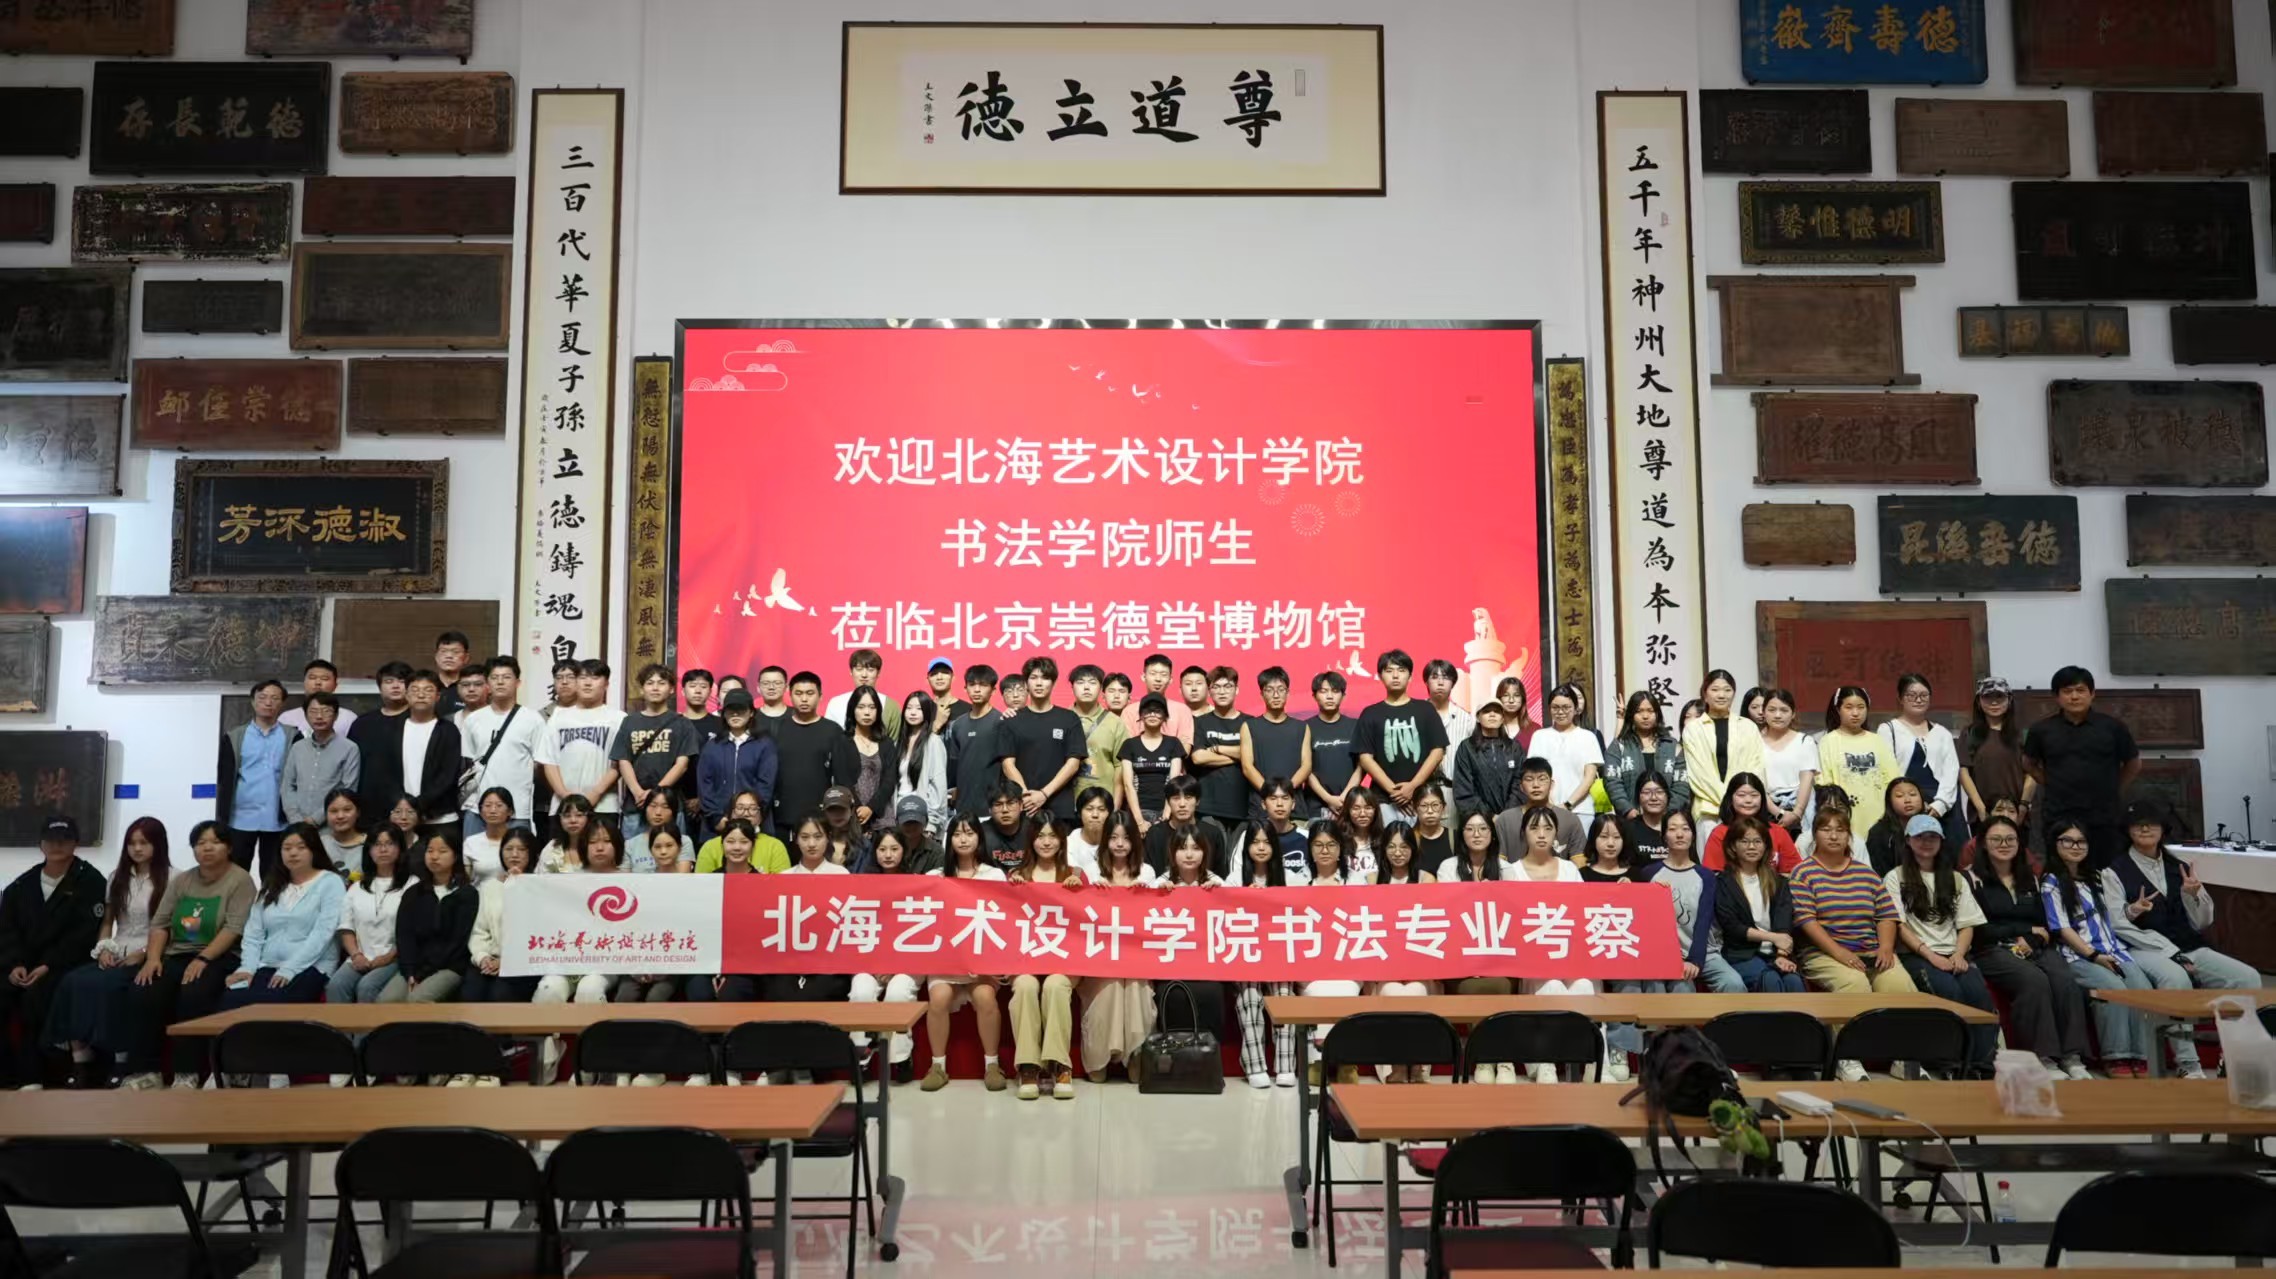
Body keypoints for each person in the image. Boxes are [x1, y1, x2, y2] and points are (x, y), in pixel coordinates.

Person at [2100, 802, 2261, 1077]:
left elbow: (2202, 922)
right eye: (2138, 824)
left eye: (2152, 822)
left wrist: (2194, 895)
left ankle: (2234, 1058)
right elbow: (2117, 924)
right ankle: (2189, 1066)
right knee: (2176, 978)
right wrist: (2135, 912)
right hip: (2142, 948)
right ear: (2128, 830)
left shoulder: (2180, 867)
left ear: (2163, 829)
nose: (2145, 828)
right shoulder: (2113, 871)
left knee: (2247, 978)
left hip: (2188, 946)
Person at [122, 820, 255, 1089]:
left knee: (194, 992)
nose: (207, 848)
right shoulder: (182, 880)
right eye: (200, 843)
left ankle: (188, 1073)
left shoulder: (240, 880)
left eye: (215, 842)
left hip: (220, 956)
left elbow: (234, 927)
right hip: (177, 954)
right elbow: (160, 923)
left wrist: (203, 958)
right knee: (144, 989)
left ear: (229, 848)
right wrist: (153, 959)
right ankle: (146, 1071)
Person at [1791, 807, 1916, 1079]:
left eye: (1840, 830)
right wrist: (1840, 953)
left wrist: (1886, 948)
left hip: (1871, 950)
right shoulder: (1803, 873)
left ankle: (1903, 1056)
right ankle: (1845, 1057)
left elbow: (1886, 914)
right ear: (1814, 835)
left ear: (1849, 836)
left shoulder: (1866, 873)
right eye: (1826, 830)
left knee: (1900, 985)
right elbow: (1807, 921)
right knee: (1854, 983)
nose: (1833, 836)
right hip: (1823, 953)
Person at [1967, 814, 2093, 1079]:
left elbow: (2044, 924)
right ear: (1983, 843)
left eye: (2010, 839)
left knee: (2063, 978)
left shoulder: (2031, 877)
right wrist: (2023, 932)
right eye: (1996, 839)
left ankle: (2072, 1056)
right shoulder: (1971, 878)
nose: (2004, 844)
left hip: (2034, 946)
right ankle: (2042, 1057)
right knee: (2033, 980)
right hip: (1991, 949)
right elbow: (1978, 929)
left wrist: (2033, 938)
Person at [47, 817, 166, 1088]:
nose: (137, 849)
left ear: (158, 844)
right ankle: (81, 1059)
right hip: (117, 948)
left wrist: (145, 953)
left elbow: (169, 927)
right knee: (73, 980)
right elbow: (107, 922)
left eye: (144, 843)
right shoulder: (116, 876)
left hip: (148, 952)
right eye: (132, 843)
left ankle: (120, 1061)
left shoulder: (174, 877)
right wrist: (103, 949)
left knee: (111, 986)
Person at [1884, 814, 2000, 1073]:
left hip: (1954, 953)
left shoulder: (1956, 878)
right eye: (1920, 837)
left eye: (1932, 837)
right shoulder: (1895, 877)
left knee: (1978, 994)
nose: (1926, 842)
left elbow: (1967, 923)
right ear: (1908, 841)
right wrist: (1930, 956)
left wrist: (1959, 954)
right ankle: (1949, 1061)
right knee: (1949, 992)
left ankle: (1981, 1062)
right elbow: (1899, 926)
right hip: (1917, 954)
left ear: (1941, 841)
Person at [2043, 817, 2157, 1077]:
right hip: (2079, 956)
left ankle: (2141, 1055)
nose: (2075, 847)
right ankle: (2116, 1056)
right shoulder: (2051, 881)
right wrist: (2094, 955)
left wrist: (2133, 909)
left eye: (2081, 841)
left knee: (2141, 987)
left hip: (2114, 951)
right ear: (2055, 844)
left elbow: (2112, 917)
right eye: (2068, 841)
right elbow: (2062, 928)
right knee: (2113, 988)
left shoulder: (2095, 877)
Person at [0, 816, 104, 1088]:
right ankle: (6, 1073)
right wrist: (14, 964)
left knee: (36, 996)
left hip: (67, 964)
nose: (57, 845)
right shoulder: (21, 886)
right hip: (23, 965)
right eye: (51, 840)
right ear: (41, 844)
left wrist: (48, 964)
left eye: (64, 840)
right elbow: (7, 930)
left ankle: (34, 1076)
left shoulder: (91, 881)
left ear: (76, 843)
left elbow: (84, 935)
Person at [920, 816, 1009, 1093]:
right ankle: (937, 1066)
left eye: (969, 833)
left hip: (982, 963)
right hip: (946, 962)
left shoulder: (994, 876)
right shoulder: (934, 878)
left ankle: (992, 1065)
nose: (963, 839)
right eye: (957, 834)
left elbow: (1003, 922)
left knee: (985, 997)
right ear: (949, 840)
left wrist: (993, 963)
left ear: (979, 838)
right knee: (938, 998)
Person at [219, 823, 345, 1013]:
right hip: (267, 964)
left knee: (273, 1004)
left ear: (314, 850)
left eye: (301, 847)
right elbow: (254, 933)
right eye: (287, 848)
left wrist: (290, 969)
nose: (293, 853)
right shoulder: (272, 884)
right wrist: (247, 968)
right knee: (231, 999)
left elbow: (323, 934)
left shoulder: (330, 882)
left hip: (311, 966)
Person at [2026, 666, 2142, 867]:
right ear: (2056, 696)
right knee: (2061, 870)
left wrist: (2115, 789)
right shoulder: (2041, 730)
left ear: (2092, 693)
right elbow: (2028, 763)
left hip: (2103, 816)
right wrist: (2052, 783)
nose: (2074, 697)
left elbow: (2133, 763)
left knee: (2105, 871)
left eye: (2080, 690)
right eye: (2067, 691)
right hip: (2059, 814)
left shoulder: (2112, 727)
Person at [1006, 818, 1087, 1101]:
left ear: (1062, 841)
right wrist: (1011, 891)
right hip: (1025, 959)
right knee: (1025, 986)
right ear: (1031, 840)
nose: (1047, 842)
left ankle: (1059, 1064)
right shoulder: (1017, 875)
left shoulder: (1075, 874)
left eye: (1053, 836)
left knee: (1055, 985)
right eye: (1040, 835)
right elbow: (1004, 920)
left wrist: (1079, 892)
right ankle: (1028, 1066)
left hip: (1064, 960)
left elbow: (1089, 919)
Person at [1077, 812, 1156, 1084]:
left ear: (1134, 841)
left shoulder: (1147, 872)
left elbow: (1157, 915)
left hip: (1136, 956)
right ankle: (1100, 1054)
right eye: (1113, 838)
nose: (1120, 844)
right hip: (1100, 955)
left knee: (1135, 984)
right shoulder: (1091, 872)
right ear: (1105, 841)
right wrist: (1089, 891)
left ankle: (1136, 1053)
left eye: (1125, 838)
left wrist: (1145, 894)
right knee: (1109, 984)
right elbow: (1078, 912)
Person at [1225, 821, 1297, 1087]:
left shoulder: (1291, 879)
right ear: (1246, 848)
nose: (1261, 847)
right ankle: (1255, 1066)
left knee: (1284, 995)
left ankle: (1286, 1066)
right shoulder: (1234, 880)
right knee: (1250, 997)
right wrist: (1244, 897)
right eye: (1255, 842)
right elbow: (1222, 914)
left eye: (1267, 842)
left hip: (1279, 955)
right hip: (1246, 955)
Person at [849, 828, 923, 1080]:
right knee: (861, 989)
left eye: (894, 849)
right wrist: (874, 964)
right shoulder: (863, 885)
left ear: (904, 850)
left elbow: (921, 934)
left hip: (908, 961)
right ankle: (861, 1057)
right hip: (870, 961)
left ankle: (900, 1059)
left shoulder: (917, 884)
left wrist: (894, 966)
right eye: (882, 849)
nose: (888, 855)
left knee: (897, 992)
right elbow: (857, 931)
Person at [682, 820, 771, 1007]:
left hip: (746, 964)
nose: (737, 847)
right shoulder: (709, 882)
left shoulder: (763, 884)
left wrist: (729, 972)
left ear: (753, 845)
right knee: (699, 993)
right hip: (707, 961)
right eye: (730, 841)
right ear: (722, 844)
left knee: (731, 996)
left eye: (744, 842)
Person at [379, 832, 475, 1004]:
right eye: (430, 851)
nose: (434, 856)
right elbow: (404, 935)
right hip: (415, 966)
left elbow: (457, 943)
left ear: (455, 856)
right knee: (387, 1000)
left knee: (418, 999)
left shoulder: (467, 894)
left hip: (449, 966)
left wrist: (423, 973)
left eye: (442, 851)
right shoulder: (414, 893)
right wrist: (410, 972)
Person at [1714, 815, 1806, 993]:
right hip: (1741, 955)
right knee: (1769, 979)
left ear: (1765, 846)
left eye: (1757, 841)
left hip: (1775, 952)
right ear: (1733, 846)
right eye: (1744, 841)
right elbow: (1733, 927)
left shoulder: (1778, 882)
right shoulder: (1723, 883)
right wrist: (1773, 938)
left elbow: (1783, 922)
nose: (1751, 847)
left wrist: (1782, 954)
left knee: (1793, 981)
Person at [1356, 650, 1447, 825]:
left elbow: (1437, 751)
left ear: (1410, 677)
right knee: (1387, 842)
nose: (1395, 675)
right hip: (1383, 799)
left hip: (1422, 799)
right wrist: (1396, 793)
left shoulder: (1426, 709)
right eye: (1389, 671)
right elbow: (1365, 758)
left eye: (1401, 670)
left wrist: (1413, 787)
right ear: (1380, 676)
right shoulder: (1370, 713)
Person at [218, 679, 298, 878]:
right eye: (262, 698)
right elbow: (224, 778)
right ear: (253, 702)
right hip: (241, 817)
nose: (268, 702)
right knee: (236, 874)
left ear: (282, 703)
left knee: (274, 875)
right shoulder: (234, 736)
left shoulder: (293, 736)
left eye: (274, 698)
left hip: (278, 818)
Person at [612, 663, 700, 842]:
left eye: (661, 683)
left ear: (671, 689)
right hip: (635, 804)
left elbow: (682, 765)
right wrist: (638, 792)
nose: (655, 687)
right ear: (642, 689)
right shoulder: (629, 722)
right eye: (650, 683)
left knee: (671, 853)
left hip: (670, 806)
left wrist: (655, 795)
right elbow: (623, 760)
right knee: (633, 855)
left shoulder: (682, 723)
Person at [459, 656, 543, 839]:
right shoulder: (473, 720)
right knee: (474, 856)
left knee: (517, 856)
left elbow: (539, 764)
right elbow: (468, 762)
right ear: (487, 684)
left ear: (518, 683)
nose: (500, 682)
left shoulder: (533, 719)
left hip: (517, 809)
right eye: (494, 677)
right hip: (477, 808)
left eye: (506, 677)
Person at [1879, 673, 1966, 849]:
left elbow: (1951, 770)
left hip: (1942, 805)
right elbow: (1885, 770)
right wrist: (1904, 802)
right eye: (1911, 695)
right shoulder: (1888, 729)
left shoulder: (1942, 733)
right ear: (1900, 698)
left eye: (1924, 695)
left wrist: (1941, 804)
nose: (1918, 700)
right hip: (1905, 805)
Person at [538, 659, 626, 821]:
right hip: (562, 807)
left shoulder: (619, 718)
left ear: (606, 684)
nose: (587, 683)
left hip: (604, 805)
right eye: (582, 677)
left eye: (594, 678)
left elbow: (620, 763)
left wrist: (595, 794)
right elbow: (549, 762)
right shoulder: (558, 717)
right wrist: (565, 796)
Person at [328, 827, 407, 1006]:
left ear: (400, 848)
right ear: (369, 850)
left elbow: (412, 932)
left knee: (367, 986)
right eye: (377, 844)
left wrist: (388, 957)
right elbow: (346, 927)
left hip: (394, 957)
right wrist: (356, 955)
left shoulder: (411, 884)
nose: (383, 849)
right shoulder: (357, 887)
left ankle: (368, 1027)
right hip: (360, 957)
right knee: (336, 985)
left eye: (389, 844)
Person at [463, 828, 541, 1008]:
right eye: (508, 849)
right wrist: (482, 957)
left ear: (531, 854)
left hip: (525, 962)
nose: (514, 854)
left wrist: (520, 886)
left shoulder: (540, 887)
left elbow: (535, 933)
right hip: (489, 959)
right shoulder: (489, 887)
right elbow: (479, 931)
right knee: (470, 993)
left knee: (499, 995)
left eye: (521, 849)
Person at [775, 671, 860, 830]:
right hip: (782, 815)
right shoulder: (778, 729)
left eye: (810, 693)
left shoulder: (833, 731)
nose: (804, 699)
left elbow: (844, 776)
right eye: (798, 693)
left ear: (820, 696)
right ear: (790, 695)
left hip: (822, 816)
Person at [383, 672, 463, 837]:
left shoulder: (448, 731)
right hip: (401, 817)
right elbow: (384, 771)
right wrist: (403, 806)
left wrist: (417, 805)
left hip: (440, 818)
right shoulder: (391, 729)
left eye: (428, 690)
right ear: (406, 695)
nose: (421, 695)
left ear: (438, 696)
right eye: (415, 690)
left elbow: (448, 775)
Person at [1681, 670, 1764, 828]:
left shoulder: (1748, 727)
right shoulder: (1693, 729)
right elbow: (1699, 774)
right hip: (1708, 810)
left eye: (1727, 690)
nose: (1721, 695)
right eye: (1715, 689)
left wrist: (1742, 801)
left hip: (1745, 809)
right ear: (1705, 694)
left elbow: (1756, 767)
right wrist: (1730, 803)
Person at [1818, 685, 1900, 845]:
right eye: (1849, 707)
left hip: (1879, 816)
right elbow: (1825, 784)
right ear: (1838, 709)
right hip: (1845, 818)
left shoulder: (1877, 740)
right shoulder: (1828, 742)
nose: (1855, 713)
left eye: (1861, 707)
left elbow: (1893, 780)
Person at [695, 688, 777, 834]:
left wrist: (751, 815)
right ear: (723, 713)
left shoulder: (764, 745)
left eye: (741, 709)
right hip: (716, 824)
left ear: (751, 713)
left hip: (754, 823)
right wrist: (716, 817)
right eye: (730, 710)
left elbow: (766, 784)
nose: (735, 714)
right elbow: (704, 784)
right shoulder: (712, 746)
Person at [1239, 667, 1311, 823]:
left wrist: (1285, 795)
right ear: (1262, 694)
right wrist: (1271, 795)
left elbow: (1306, 766)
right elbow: (1247, 767)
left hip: (1295, 810)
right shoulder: (1249, 726)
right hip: (1260, 810)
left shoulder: (1301, 727)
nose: (1276, 695)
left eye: (1281, 689)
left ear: (1288, 693)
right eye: (1270, 690)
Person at [1962, 677, 2033, 834]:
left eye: (1999, 697)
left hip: (2016, 812)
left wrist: (2023, 806)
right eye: (1988, 697)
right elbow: (1963, 772)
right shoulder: (1969, 733)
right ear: (1979, 701)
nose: (1994, 702)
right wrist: (1980, 808)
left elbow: (2032, 772)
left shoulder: (2023, 733)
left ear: (2009, 700)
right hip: (1982, 813)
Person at [1186, 666, 1249, 841]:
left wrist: (1218, 748)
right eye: (1216, 687)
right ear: (1209, 691)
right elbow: (1198, 757)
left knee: (1239, 857)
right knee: (1211, 855)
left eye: (1227, 686)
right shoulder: (1199, 723)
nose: (1222, 692)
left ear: (1236, 690)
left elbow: (1252, 755)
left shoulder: (1250, 723)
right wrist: (1239, 756)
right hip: (1208, 807)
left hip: (1243, 807)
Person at [1603, 691, 1687, 822]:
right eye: (1639, 711)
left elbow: (1681, 785)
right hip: (1630, 821)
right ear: (1631, 715)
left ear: (1657, 714)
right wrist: (1628, 810)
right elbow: (1612, 782)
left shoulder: (1673, 747)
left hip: (1667, 822)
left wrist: (1668, 814)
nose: (1645, 716)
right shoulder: (1618, 747)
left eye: (1650, 711)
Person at [279, 692, 359, 828]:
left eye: (326, 711)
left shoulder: (349, 748)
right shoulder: (298, 747)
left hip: (332, 825)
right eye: (313, 711)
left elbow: (348, 789)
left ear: (336, 716)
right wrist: (295, 818)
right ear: (306, 716)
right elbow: (287, 786)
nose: (319, 716)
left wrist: (315, 819)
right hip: (297, 825)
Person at [1701, 773, 1801, 872]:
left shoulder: (1778, 832)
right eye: (1741, 795)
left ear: (1762, 799)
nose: (1748, 800)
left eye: (1754, 795)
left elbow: (1795, 873)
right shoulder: (1720, 834)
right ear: (1730, 799)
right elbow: (1713, 875)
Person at [1531, 683, 1604, 817]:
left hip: (1581, 810)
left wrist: (1568, 804)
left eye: (1566, 707)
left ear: (1576, 709)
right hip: (1546, 810)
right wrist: (1550, 805)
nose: (1560, 712)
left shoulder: (1588, 737)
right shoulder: (1539, 736)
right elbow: (1535, 774)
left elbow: (1590, 777)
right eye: (1555, 707)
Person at [1117, 695, 1186, 828]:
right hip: (1138, 811)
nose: (1152, 714)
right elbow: (1128, 785)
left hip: (1167, 811)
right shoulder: (1129, 745)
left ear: (1165, 716)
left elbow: (1174, 782)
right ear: (1141, 715)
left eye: (1158, 711)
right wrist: (1139, 821)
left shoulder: (1174, 743)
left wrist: (1166, 815)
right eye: (1148, 711)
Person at [1756, 688, 1816, 841]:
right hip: (1765, 807)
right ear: (1763, 712)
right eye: (1772, 710)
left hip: (1802, 810)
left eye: (1784, 710)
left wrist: (1797, 813)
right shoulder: (1754, 741)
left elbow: (1807, 779)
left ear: (1793, 713)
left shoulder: (1805, 741)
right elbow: (1756, 781)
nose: (1778, 715)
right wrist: (1777, 812)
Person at [947, 664, 1005, 821]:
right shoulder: (958, 725)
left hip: (993, 807)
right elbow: (955, 764)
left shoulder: (1000, 722)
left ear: (993, 690)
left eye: (983, 685)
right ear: (965, 688)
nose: (977, 690)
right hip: (962, 807)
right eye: (972, 685)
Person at [1493, 758, 1583, 860]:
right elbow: (1499, 862)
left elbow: (1579, 862)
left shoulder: (1570, 819)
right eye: (1529, 779)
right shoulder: (1506, 819)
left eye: (1542, 779)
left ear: (1551, 784)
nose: (1536, 785)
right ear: (1521, 787)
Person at [1304, 671, 1364, 819]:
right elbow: (1305, 769)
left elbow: (1362, 766)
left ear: (1343, 695)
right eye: (1323, 691)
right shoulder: (1304, 728)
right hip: (1315, 807)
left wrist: (1345, 797)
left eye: (1335, 691)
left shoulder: (1355, 726)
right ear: (1314, 696)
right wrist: (1328, 798)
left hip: (1351, 804)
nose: (1329, 696)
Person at [1142, 774, 1225, 878]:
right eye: (1176, 798)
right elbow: (1148, 875)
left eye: (1188, 798)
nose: (1182, 804)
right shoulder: (1155, 834)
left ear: (1197, 801)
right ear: (1168, 802)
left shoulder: (1213, 833)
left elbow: (1221, 876)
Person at [844, 686, 901, 834]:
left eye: (872, 707)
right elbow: (843, 779)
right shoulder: (843, 741)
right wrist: (859, 809)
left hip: (883, 820)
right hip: (852, 818)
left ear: (878, 711)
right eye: (861, 707)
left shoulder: (886, 743)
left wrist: (871, 808)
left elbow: (890, 780)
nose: (867, 712)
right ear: (852, 709)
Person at [1451, 701, 1523, 819]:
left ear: (1502, 718)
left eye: (1497, 712)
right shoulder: (1467, 748)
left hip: (1511, 819)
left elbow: (1520, 783)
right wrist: (1489, 817)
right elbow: (1463, 788)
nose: (1492, 715)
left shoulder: (1514, 747)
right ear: (1478, 718)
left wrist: (1506, 816)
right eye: (1486, 711)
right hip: (1479, 821)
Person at [893, 692, 948, 838]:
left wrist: (932, 824)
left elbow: (939, 785)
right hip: (899, 814)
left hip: (922, 816)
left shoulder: (933, 742)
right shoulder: (899, 742)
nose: (913, 712)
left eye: (919, 709)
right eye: (909, 708)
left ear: (927, 712)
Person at [692, 791, 790, 873]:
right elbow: (701, 885)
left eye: (753, 808)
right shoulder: (710, 847)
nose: (746, 813)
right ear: (729, 814)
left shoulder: (775, 846)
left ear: (761, 817)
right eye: (740, 808)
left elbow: (782, 885)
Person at [1121, 654, 1195, 748]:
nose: (1158, 679)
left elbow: (1185, 748)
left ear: (1170, 679)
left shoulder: (1182, 710)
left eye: (1163, 675)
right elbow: (1127, 748)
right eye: (1153, 673)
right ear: (1143, 677)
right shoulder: (1129, 711)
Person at [823, 648, 896, 738]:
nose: (864, 675)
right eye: (859, 669)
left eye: (870, 670)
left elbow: (895, 743)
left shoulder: (890, 705)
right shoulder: (836, 703)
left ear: (878, 673)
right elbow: (828, 738)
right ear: (851, 671)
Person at [1865, 778, 1929, 877]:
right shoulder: (1879, 833)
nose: (1908, 800)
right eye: (1899, 796)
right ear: (1889, 802)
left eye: (1912, 794)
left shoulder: (1932, 828)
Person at [280, 659, 357, 737]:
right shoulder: (287, 718)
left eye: (324, 679)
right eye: (312, 678)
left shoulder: (348, 718)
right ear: (304, 683)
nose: (318, 683)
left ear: (335, 685)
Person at [462, 787, 519, 884]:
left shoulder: (519, 840)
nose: (493, 810)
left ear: (510, 811)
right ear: (480, 811)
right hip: (480, 892)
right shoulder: (471, 842)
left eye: (499, 805)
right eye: (487, 805)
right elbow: (466, 881)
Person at [1438, 808, 1506, 884]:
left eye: (1483, 828)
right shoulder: (1448, 867)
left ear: (1492, 833)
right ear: (1462, 835)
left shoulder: (1505, 868)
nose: (1476, 835)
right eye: (1470, 829)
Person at [623, 787, 684, 872]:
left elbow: (683, 876)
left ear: (673, 812)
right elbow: (624, 878)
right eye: (653, 806)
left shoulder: (684, 841)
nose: (658, 812)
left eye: (665, 807)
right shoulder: (630, 845)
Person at [1621, 773, 1675, 863]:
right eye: (1646, 792)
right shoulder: (1628, 829)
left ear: (1667, 796)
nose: (1653, 798)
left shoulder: (1677, 827)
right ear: (1638, 797)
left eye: (1659, 792)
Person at [1336, 788, 1386, 883]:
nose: (1362, 814)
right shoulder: (1338, 840)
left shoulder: (1384, 839)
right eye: (1356, 808)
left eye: (1368, 808)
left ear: (1375, 810)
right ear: (1347, 810)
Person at [537, 794, 595, 875]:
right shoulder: (552, 848)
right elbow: (540, 879)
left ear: (589, 818)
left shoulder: (597, 846)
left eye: (579, 815)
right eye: (567, 816)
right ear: (559, 819)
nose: (573, 820)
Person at [1576, 812, 1636, 884]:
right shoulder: (1580, 875)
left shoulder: (1635, 875)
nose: (1611, 843)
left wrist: (1632, 887)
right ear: (1593, 839)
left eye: (1616, 837)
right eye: (1604, 836)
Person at [1067, 787, 1113, 875]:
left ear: (1110, 814)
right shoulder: (1068, 844)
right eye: (1089, 809)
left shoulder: (1118, 843)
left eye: (1101, 809)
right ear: (1080, 813)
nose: (1095, 815)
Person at [1408, 789, 1455, 873]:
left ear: (1443, 807)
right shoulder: (1408, 838)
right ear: (1414, 808)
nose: (1430, 811)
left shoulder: (1455, 838)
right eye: (1424, 806)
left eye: (1435, 805)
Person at [318, 787, 366, 867]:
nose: (340, 816)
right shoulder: (320, 844)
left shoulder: (370, 844)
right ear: (326, 815)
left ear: (358, 812)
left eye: (347, 810)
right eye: (334, 811)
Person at [680, 668, 724, 751]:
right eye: (692, 686)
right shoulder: (673, 723)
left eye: (703, 686)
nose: (698, 691)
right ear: (683, 691)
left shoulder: (721, 724)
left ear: (710, 692)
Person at [431, 631, 472, 716]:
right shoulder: (428, 685)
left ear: (466, 658)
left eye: (456, 652)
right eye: (443, 651)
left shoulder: (471, 688)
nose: (449, 656)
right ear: (436, 656)